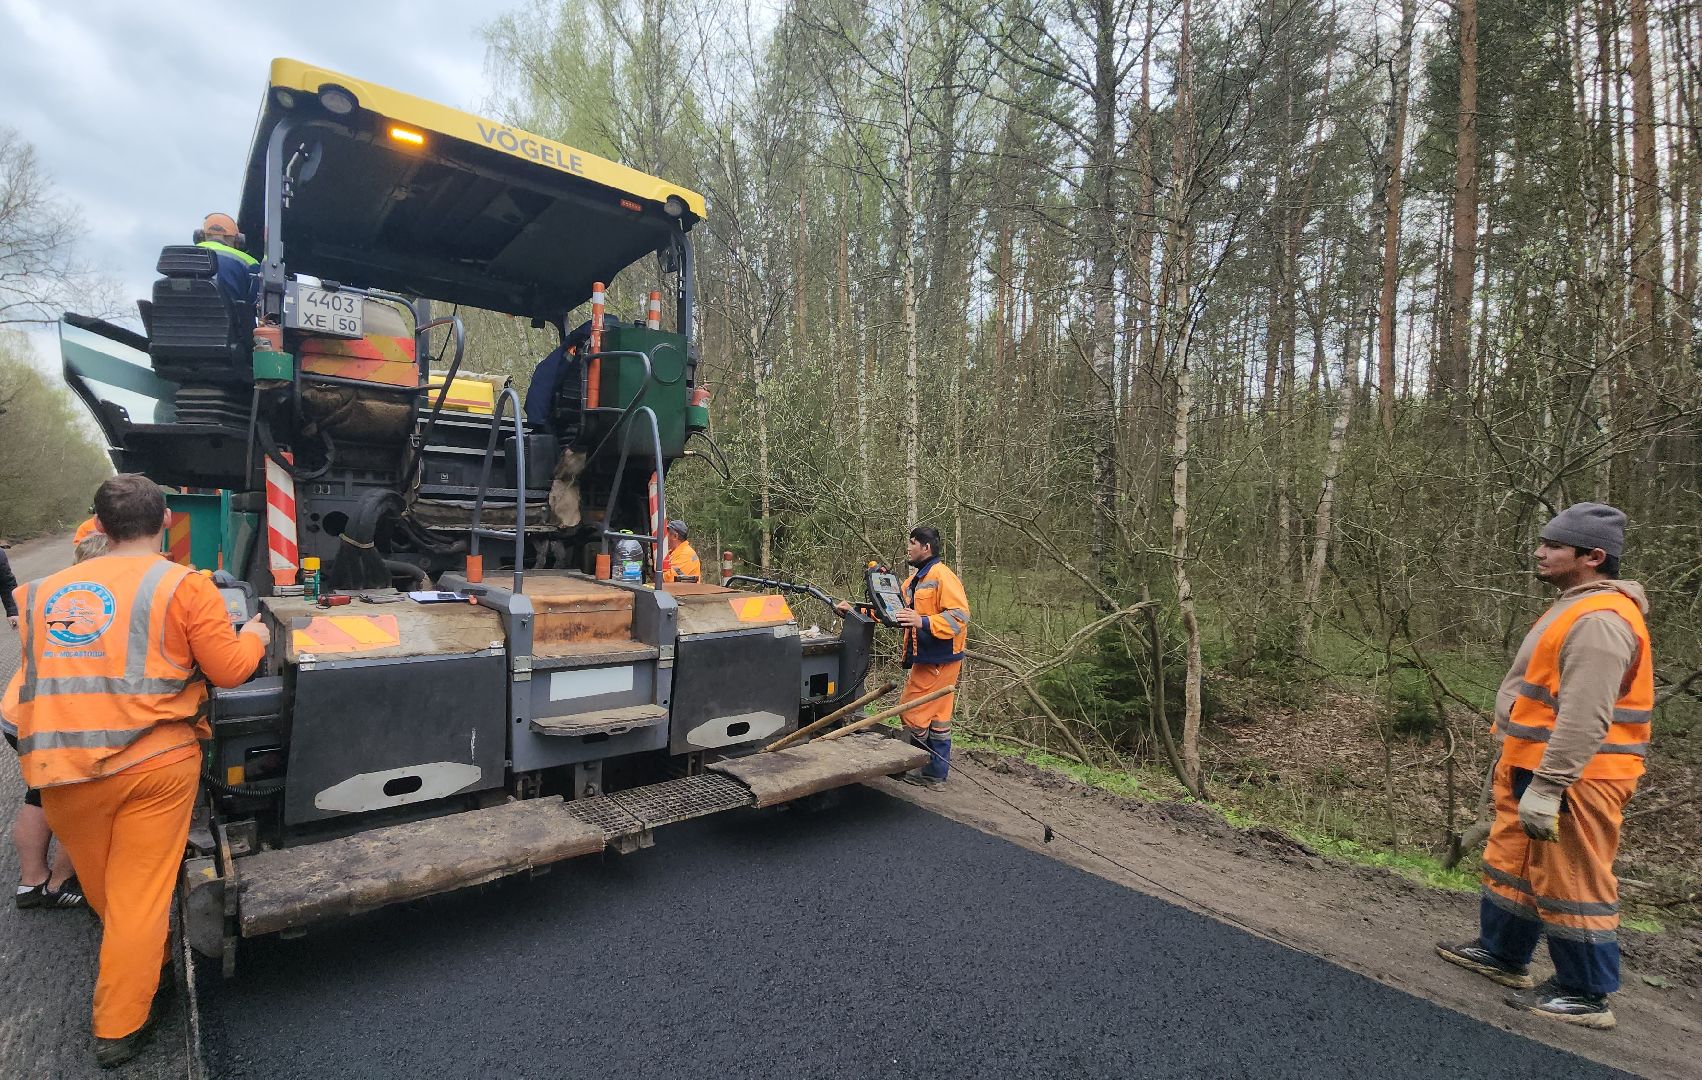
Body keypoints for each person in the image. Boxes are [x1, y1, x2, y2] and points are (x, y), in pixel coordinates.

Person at [1, 474, 270, 1067]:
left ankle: (150, 962)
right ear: (167, 520)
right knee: (139, 896)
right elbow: (229, 670)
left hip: (60, 769)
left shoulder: (39, 595)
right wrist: (252, 635)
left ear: (98, 526)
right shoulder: (184, 586)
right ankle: (120, 1027)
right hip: (153, 764)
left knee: (107, 891)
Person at [1437, 503, 1652, 1031]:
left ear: (1593, 556)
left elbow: (1586, 714)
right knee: (1515, 860)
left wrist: (1551, 784)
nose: (1539, 552)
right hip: (1533, 763)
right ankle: (1502, 953)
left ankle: (1585, 991)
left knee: (1571, 876)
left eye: (1554, 546)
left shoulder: (1601, 621)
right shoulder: (1573, 607)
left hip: (1578, 777)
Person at [5, 535, 100, 912]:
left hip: (23, 711)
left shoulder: (58, 596)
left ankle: (31, 881)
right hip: (48, 718)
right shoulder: (96, 610)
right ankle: (58, 883)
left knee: (40, 795)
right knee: (83, 801)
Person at [839, 526, 968, 789]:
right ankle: (935, 773)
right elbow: (892, 611)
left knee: (912, 712)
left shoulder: (942, 576)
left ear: (926, 548)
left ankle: (920, 764)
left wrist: (923, 621)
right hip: (932, 659)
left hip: (938, 659)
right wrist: (854, 611)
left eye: (912, 543)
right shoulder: (914, 581)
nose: (908, 548)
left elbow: (959, 616)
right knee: (938, 717)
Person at [193, 212, 260, 310]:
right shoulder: (249, 263)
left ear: (201, 236)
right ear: (238, 240)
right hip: (229, 319)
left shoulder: (182, 256)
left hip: (181, 317)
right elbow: (255, 303)